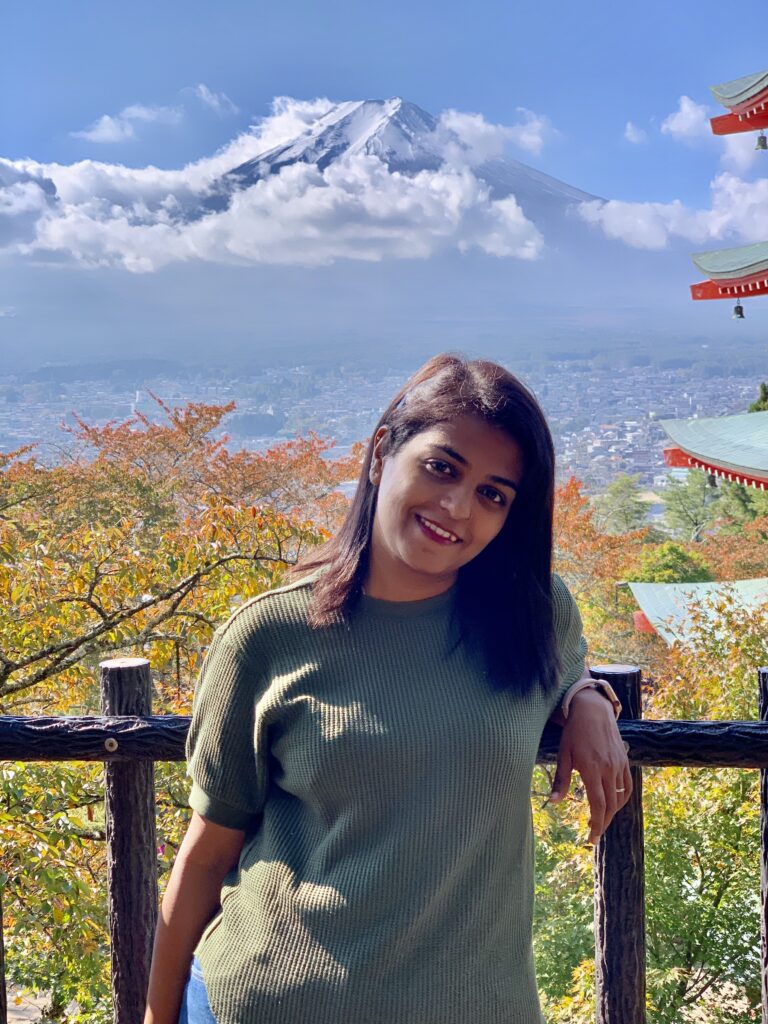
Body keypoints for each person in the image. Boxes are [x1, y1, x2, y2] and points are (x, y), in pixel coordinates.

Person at [143, 353, 631, 1024]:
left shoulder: (532, 617)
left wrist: (588, 699)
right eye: (442, 467)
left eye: (494, 493)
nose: (458, 507)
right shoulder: (272, 635)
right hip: (269, 1003)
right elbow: (206, 855)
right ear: (381, 453)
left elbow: (566, 666)